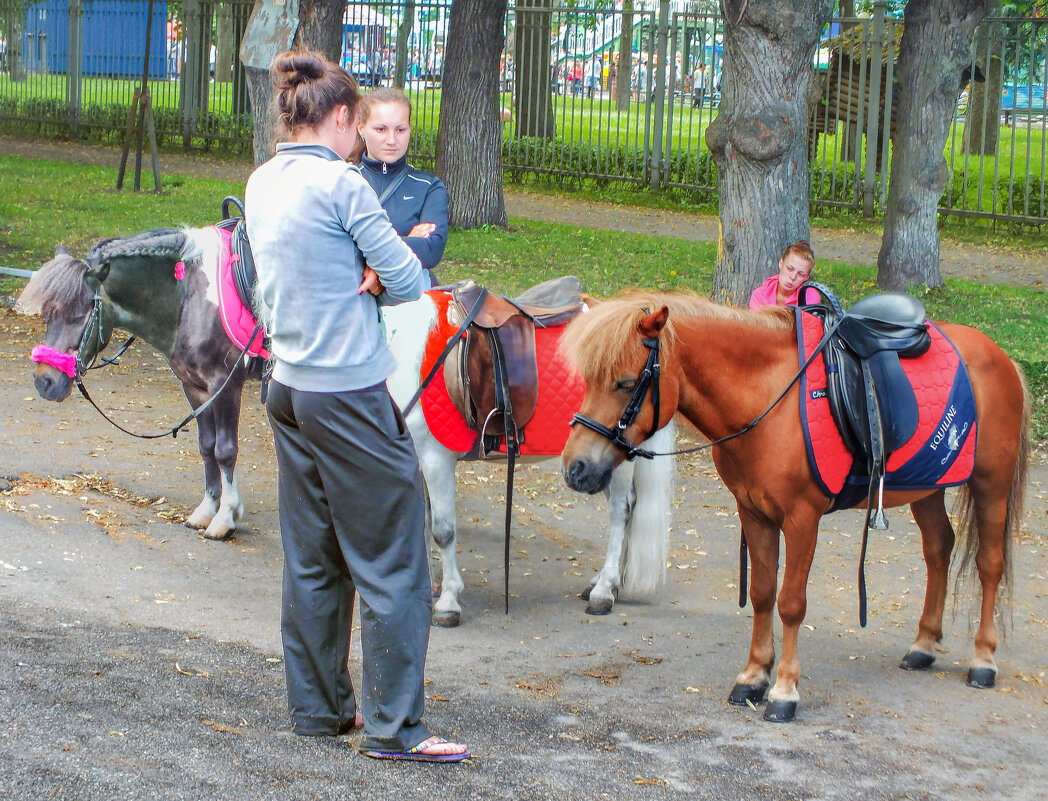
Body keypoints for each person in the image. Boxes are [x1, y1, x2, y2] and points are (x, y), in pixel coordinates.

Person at [244, 49, 469, 764]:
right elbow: (409, 279)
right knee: (396, 558)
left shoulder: (261, 180)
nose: (362, 138)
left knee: (312, 556)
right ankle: (396, 727)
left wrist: (352, 272)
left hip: (287, 387)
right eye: (358, 124)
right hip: (347, 390)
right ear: (342, 118)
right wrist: (371, 271)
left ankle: (318, 708)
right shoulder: (342, 184)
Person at [356, 87, 448, 289]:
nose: (391, 140)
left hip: (413, 302)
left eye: (400, 130)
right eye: (381, 129)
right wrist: (408, 240)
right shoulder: (346, 182)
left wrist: (364, 252)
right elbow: (332, 249)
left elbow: (430, 251)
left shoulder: (428, 187)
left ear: (409, 129)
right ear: (361, 128)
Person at [748, 240, 815, 310]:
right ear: (781, 263)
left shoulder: (809, 297)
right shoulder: (760, 294)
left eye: (801, 274)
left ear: (807, 277)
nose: (793, 277)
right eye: (790, 269)